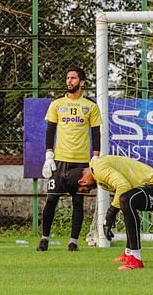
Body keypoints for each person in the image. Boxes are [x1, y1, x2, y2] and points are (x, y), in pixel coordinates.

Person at [67, 155, 153, 270]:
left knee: (126, 200)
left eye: (84, 190)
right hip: (152, 189)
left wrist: (110, 213)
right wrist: (112, 212)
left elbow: (123, 186)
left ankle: (136, 259)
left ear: (82, 182)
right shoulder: (96, 168)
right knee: (126, 201)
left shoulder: (99, 170)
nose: (88, 191)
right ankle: (129, 253)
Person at [38, 66, 102, 252]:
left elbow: (96, 133)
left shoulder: (90, 106)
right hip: (59, 161)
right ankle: (44, 239)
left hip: (81, 162)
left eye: (73, 78)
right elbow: (50, 130)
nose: (69, 81)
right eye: (67, 78)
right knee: (51, 200)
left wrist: (96, 157)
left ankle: (73, 241)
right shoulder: (57, 104)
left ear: (81, 82)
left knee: (78, 201)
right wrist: (49, 154)